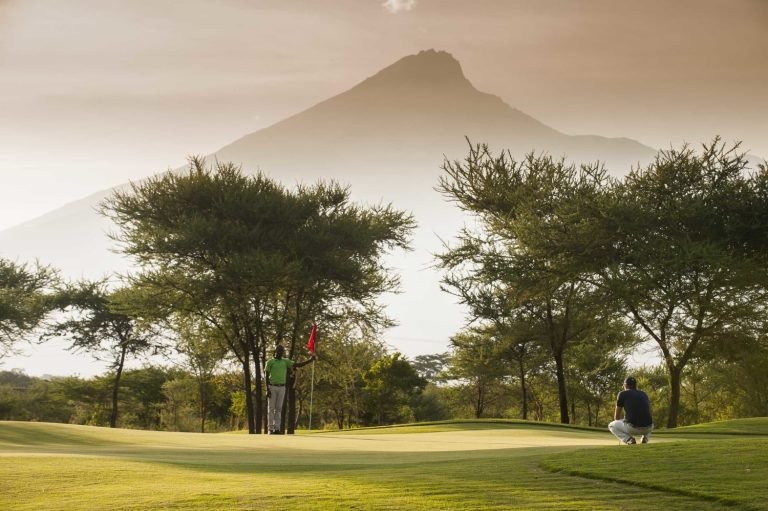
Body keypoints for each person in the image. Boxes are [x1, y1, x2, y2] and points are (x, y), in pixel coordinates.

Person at [264, 344, 316, 435]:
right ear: (275, 351)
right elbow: (266, 376)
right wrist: (267, 389)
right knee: (271, 409)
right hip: (272, 386)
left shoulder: (285, 361)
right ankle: (270, 429)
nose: (280, 352)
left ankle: (276, 429)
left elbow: (298, 365)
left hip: (282, 387)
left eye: (282, 351)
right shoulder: (270, 362)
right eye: (278, 350)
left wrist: (310, 360)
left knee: (279, 409)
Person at [608, 376, 653, 445]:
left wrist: (620, 423)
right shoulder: (644, 394)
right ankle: (645, 438)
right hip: (649, 428)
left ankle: (629, 439)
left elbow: (616, 417)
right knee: (647, 420)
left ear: (625, 385)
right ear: (635, 385)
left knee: (611, 425)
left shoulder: (622, 394)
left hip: (632, 428)